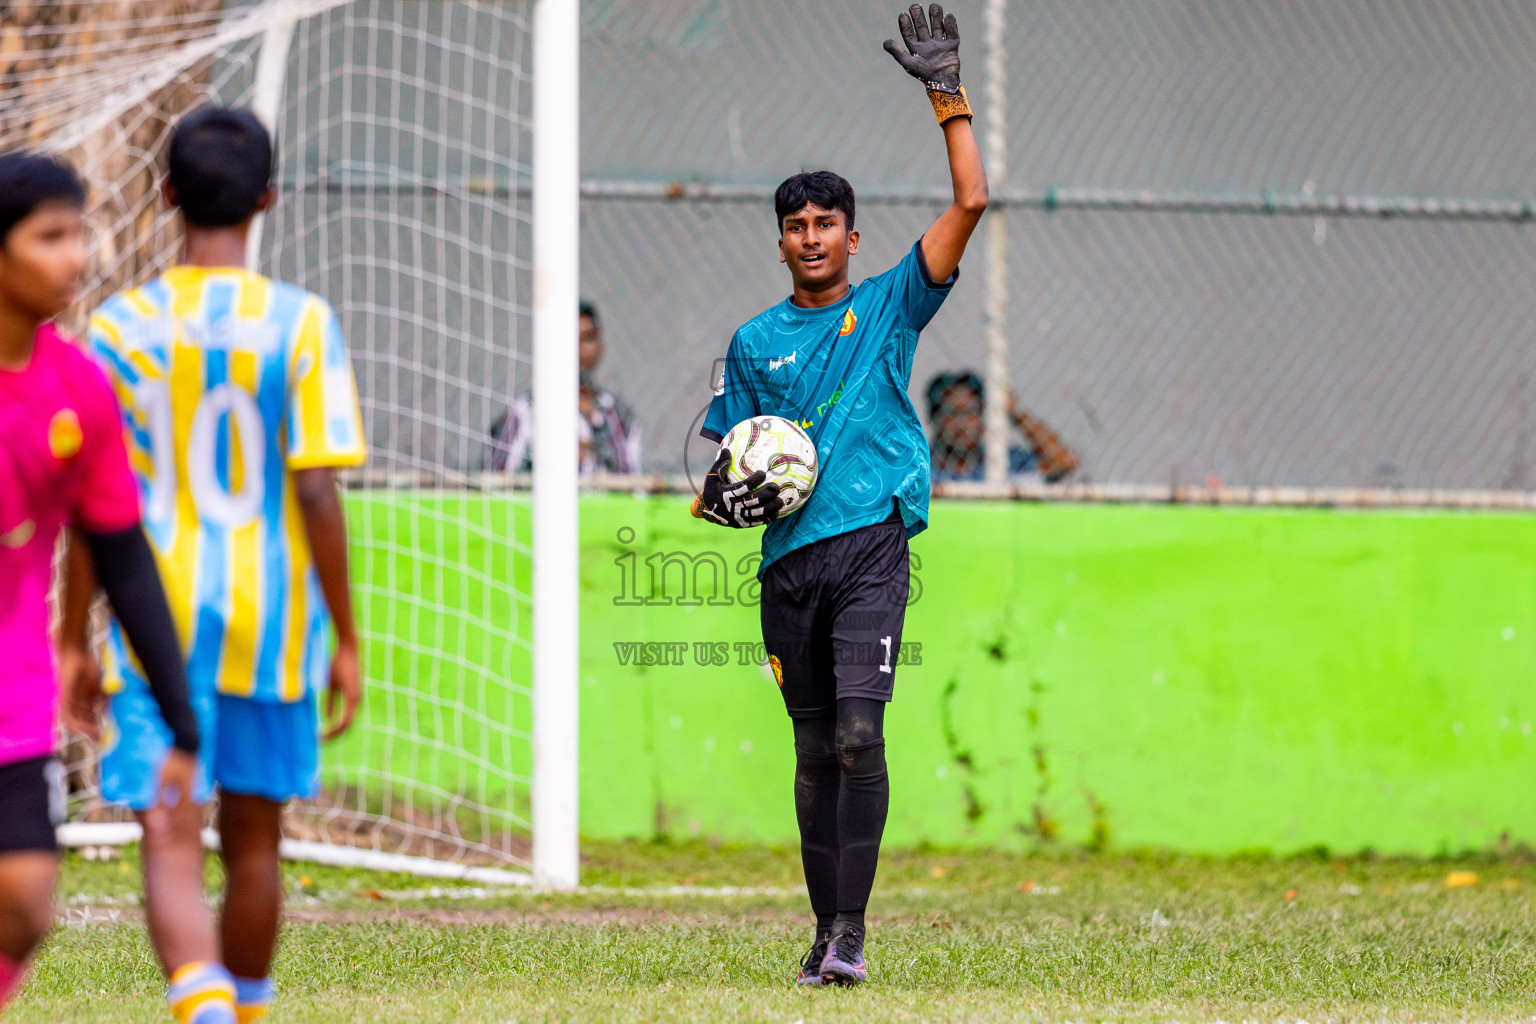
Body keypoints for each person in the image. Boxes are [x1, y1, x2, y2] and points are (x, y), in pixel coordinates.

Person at [691, 4, 987, 987]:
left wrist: (947, 96)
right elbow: (728, 464)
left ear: (854, 238)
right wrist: (719, 497)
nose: (811, 237)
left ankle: (853, 931)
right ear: (781, 242)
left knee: (863, 734)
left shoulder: (891, 302)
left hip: (870, 550)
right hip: (791, 569)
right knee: (815, 752)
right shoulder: (751, 342)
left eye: (826, 224)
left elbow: (973, 204)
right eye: (795, 225)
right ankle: (823, 929)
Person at [60, 106, 367, 1024]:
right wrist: (346, 636)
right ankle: (245, 1006)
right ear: (269, 197)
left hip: (155, 618)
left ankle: (198, 1002)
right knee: (256, 832)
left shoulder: (119, 329)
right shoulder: (302, 324)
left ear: (163, 196)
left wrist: (73, 633)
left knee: (168, 825)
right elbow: (318, 491)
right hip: (269, 620)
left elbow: (92, 507)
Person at [0, 153, 232, 1021]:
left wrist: (179, 716)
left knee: (24, 900)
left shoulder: (78, 387)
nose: (78, 257)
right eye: (50, 237)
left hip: (13, 693)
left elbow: (123, 557)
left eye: (79, 233)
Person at [487, 300, 642, 474]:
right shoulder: (525, 412)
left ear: (600, 346)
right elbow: (497, 480)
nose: (579, 348)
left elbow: (634, 482)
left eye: (588, 338)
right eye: (569, 338)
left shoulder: (618, 414)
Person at [925, 370, 1080, 482]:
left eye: (971, 412)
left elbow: (1062, 462)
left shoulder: (1003, 461)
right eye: (951, 413)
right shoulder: (919, 465)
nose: (961, 423)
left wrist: (1013, 412)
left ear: (985, 418)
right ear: (932, 418)